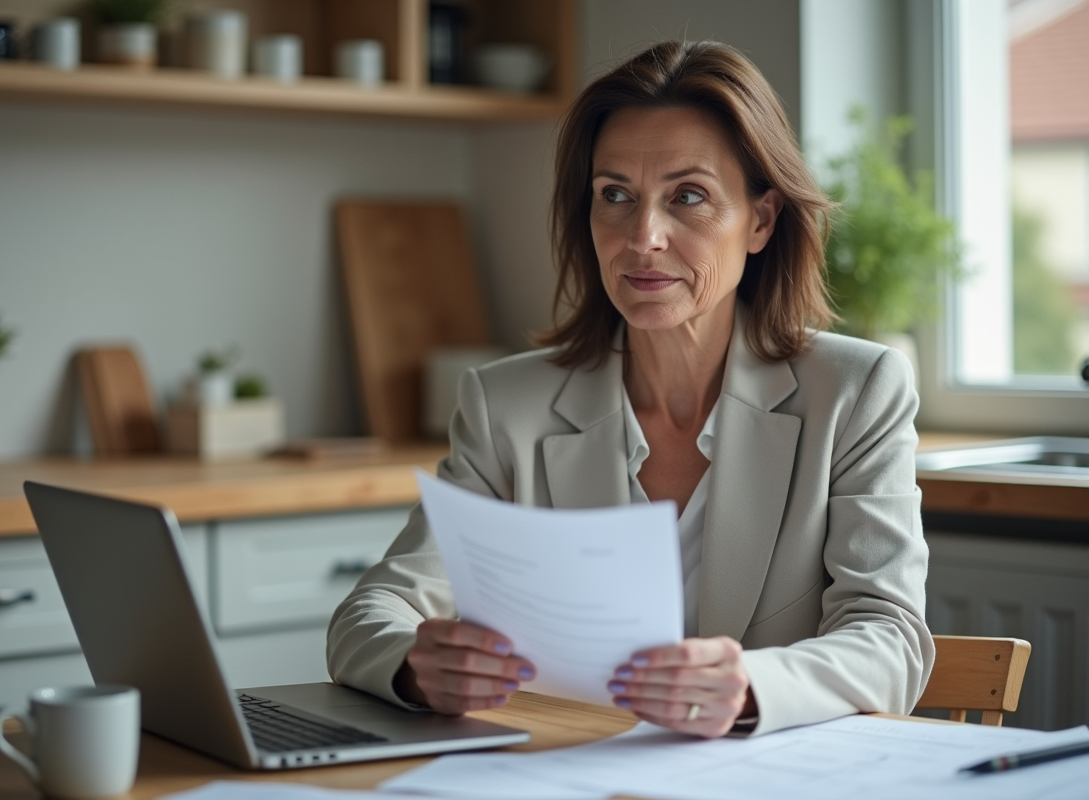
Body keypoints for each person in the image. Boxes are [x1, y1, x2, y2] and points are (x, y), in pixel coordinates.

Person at [327, 40, 934, 738]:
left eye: (689, 197)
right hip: (567, 776)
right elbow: (370, 612)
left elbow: (889, 637)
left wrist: (748, 690)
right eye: (615, 195)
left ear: (761, 221)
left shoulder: (857, 391)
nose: (642, 237)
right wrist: (413, 664)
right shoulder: (507, 407)